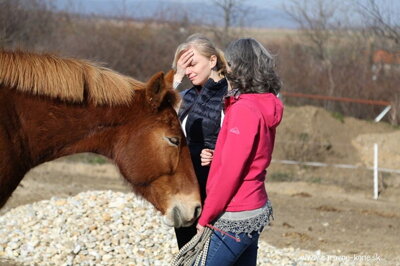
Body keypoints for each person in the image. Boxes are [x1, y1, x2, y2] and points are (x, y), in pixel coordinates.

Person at [196, 38, 284, 265]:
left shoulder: (243, 109)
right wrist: (220, 156)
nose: (226, 70)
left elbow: (230, 173)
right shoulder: (264, 103)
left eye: (229, 64)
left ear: (239, 67)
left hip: (235, 214)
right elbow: (252, 154)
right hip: (255, 206)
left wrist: (205, 217)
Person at [172, 33, 228, 249]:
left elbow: (239, 140)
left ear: (212, 61)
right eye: (184, 66)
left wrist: (217, 154)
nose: (188, 71)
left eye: (192, 63)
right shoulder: (184, 96)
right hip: (185, 189)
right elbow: (150, 115)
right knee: (187, 252)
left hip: (213, 189)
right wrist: (175, 79)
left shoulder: (229, 95)